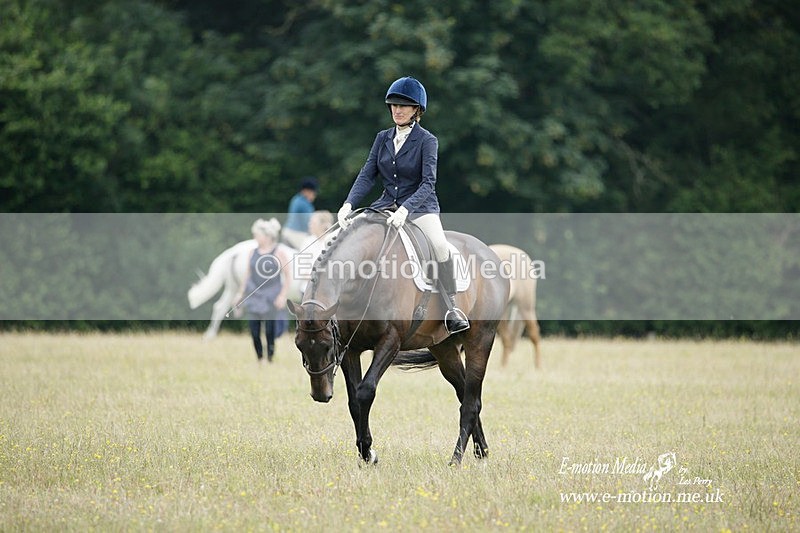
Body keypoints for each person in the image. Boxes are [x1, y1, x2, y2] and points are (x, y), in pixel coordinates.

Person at [336, 76, 469, 333]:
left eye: (404, 106)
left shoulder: (427, 140)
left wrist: (407, 209)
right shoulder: (382, 138)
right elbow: (367, 174)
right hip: (385, 205)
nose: (397, 110)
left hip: (420, 208)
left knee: (440, 246)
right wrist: (348, 205)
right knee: (355, 237)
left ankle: (451, 306)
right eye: (393, 105)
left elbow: (428, 183)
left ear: (416, 110)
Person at [235, 218, 293, 363]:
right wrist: (240, 295)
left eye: (257, 235)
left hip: (271, 295)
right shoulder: (252, 252)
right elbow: (247, 275)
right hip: (254, 294)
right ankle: (260, 357)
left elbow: (287, 276)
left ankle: (270, 358)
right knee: (254, 330)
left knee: (269, 330)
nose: (255, 237)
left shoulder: (278, 252)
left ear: (267, 237)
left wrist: (282, 296)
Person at [295, 210, 335, 293]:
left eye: (313, 223)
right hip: (307, 290)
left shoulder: (334, 241)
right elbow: (301, 270)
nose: (309, 225)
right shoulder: (307, 242)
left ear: (324, 225)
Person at [282, 178, 318, 249]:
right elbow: (309, 222)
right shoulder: (304, 204)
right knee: (311, 249)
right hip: (296, 234)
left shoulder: (296, 199)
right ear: (306, 191)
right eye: (313, 193)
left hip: (287, 232)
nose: (314, 196)